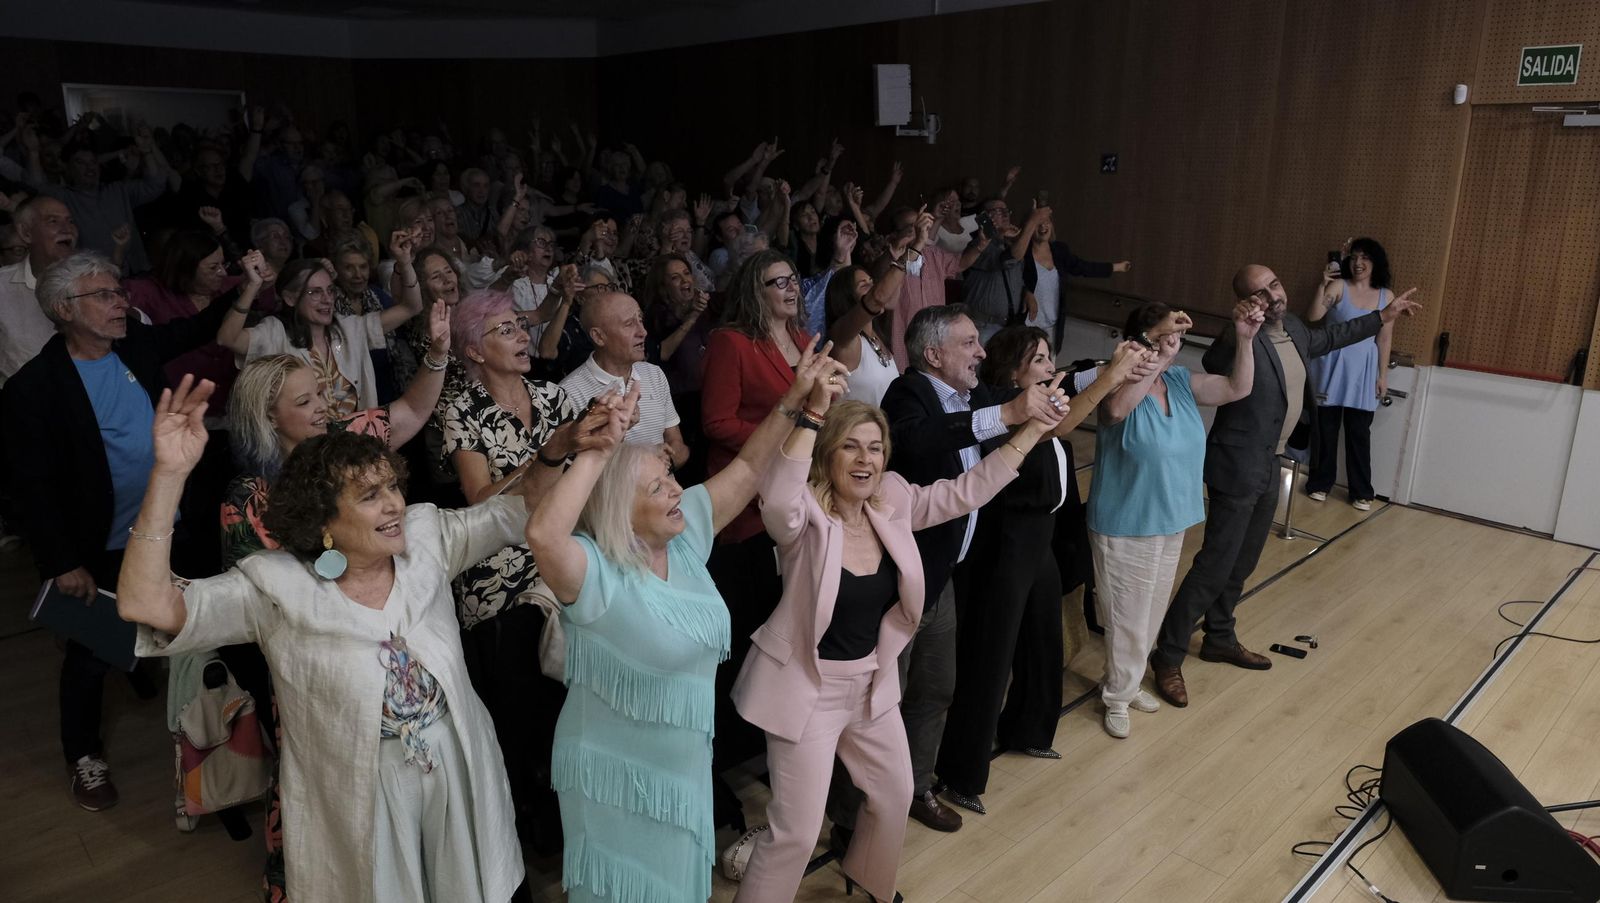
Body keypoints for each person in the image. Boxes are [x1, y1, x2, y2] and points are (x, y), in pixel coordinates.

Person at [116, 380, 562, 902]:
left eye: (391, 486)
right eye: (370, 496)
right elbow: (146, 604)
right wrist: (169, 475)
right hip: (360, 794)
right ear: (323, 519)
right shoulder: (274, 588)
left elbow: (523, 509)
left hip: (459, 769)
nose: (393, 505)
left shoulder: (428, 539)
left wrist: (557, 452)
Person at [524, 347, 846, 903]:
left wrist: (797, 399)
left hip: (684, 765)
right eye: (657, 488)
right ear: (620, 509)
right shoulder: (593, 572)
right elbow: (542, 535)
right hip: (611, 771)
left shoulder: (686, 537)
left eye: (670, 476)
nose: (677, 490)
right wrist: (599, 451)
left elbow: (747, 468)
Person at [732, 388, 1060, 902]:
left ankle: (871, 883)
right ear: (827, 454)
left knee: (893, 795)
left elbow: (966, 491)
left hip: (870, 684)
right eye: (850, 447)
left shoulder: (893, 498)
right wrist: (812, 413)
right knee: (796, 832)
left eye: (875, 447)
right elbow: (774, 498)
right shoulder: (804, 515)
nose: (865, 460)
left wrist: (1033, 431)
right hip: (808, 691)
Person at [0, 251, 229, 811]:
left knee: (202, 627)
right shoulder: (34, 388)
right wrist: (60, 561)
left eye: (118, 292)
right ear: (64, 309)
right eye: (102, 295)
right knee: (91, 657)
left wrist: (244, 289)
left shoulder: (134, 347)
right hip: (101, 545)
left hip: (173, 525)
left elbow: (196, 329)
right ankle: (83, 755)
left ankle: (221, 732)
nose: (120, 302)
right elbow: (29, 489)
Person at [829, 305, 1067, 836]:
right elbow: (920, 440)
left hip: (942, 580)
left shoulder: (970, 396)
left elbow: (1012, 412)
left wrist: (1111, 372)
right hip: (895, 586)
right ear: (934, 353)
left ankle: (916, 788)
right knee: (875, 708)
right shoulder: (908, 392)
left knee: (935, 691)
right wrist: (1007, 415)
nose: (981, 352)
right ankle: (852, 819)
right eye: (969, 343)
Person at [1150, 265, 1420, 708]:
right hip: (1237, 463)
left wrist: (1383, 317)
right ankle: (1168, 655)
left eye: (1274, 285)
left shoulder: (1293, 327)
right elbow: (1215, 364)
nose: (1273, 296)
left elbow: (1331, 337)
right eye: (1260, 293)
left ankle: (1219, 637)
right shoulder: (1240, 335)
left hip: (1271, 461)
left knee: (1244, 562)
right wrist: (1240, 330)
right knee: (1214, 565)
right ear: (1245, 301)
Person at [936, 326, 1146, 811]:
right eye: (1039, 360)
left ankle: (1028, 729)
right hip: (1008, 543)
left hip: (1041, 541)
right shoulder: (1007, 411)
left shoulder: (1049, 399)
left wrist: (1120, 366)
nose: (1051, 368)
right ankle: (961, 773)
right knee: (991, 657)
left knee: (1043, 644)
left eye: (1051, 358)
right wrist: (1110, 376)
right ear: (1014, 371)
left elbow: (1074, 387)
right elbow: (1062, 422)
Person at [442, 289, 595, 853]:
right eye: (505, 330)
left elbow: (586, 475)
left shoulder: (554, 396)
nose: (522, 336)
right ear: (474, 350)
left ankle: (586, 788)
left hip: (561, 541)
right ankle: (535, 804)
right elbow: (479, 500)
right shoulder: (461, 409)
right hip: (499, 557)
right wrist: (546, 459)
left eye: (519, 326)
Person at [1090, 302, 1260, 739]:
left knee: (1149, 613)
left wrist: (1244, 338)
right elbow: (1115, 412)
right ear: (1142, 339)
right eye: (1164, 335)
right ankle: (1116, 695)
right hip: (1127, 518)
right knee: (1126, 616)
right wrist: (1156, 359)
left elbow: (1238, 387)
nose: (1173, 343)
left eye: (1177, 337)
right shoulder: (1114, 379)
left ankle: (1127, 684)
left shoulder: (1180, 381)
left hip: (1172, 517)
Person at [218, 239, 424, 417]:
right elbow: (227, 338)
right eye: (315, 292)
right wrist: (252, 286)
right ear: (290, 298)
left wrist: (404, 263)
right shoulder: (274, 333)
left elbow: (411, 307)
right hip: (305, 447)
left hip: (356, 443)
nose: (327, 299)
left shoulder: (350, 328)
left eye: (330, 290)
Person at [1305, 238, 1395, 510]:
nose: (1358, 263)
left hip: (1364, 369)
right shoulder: (1338, 286)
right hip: (1330, 365)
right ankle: (1319, 483)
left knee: (1359, 432)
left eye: (1365, 257)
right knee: (1325, 429)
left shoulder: (1387, 297)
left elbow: (1384, 339)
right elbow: (1313, 316)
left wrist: (1382, 376)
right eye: (1354, 257)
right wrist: (1321, 285)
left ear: (1375, 262)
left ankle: (1362, 492)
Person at [558, 289, 690, 468]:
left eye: (640, 320)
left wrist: (667, 463)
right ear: (599, 337)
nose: (643, 332)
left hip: (665, 483)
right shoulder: (569, 393)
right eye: (629, 324)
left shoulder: (654, 374)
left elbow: (678, 444)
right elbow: (568, 473)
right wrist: (647, 465)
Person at [1020, 208, 1132, 352]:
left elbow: (1083, 267)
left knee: (1048, 363)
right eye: (1037, 223)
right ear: (1029, 226)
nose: (1043, 226)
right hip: (1026, 327)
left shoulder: (1059, 250)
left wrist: (1116, 267)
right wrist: (1026, 291)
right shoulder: (1022, 253)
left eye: (1046, 221)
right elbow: (1012, 279)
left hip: (1052, 328)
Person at [0, 196, 77, 381]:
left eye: (70, 221)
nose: (67, 229)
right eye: (53, 221)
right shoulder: (2, 286)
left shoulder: (95, 281)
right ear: (26, 233)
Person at [822, 262, 903, 407]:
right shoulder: (842, 336)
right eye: (864, 285)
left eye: (872, 282)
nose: (874, 288)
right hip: (853, 422)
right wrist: (907, 258)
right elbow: (876, 299)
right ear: (845, 297)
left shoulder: (876, 335)